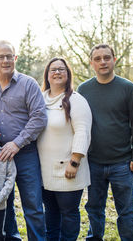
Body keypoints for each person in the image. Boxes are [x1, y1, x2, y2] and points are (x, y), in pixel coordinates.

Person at [0, 40, 47, 240]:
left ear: (15, 58)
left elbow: (39, 117)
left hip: (26, 154)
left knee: (33, 205)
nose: (6, 60)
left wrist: (17, 143)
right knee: (4, 205)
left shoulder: (28, 84)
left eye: (9, 56)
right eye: (1, 56)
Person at [77, 44, 133, 241]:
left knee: (126, 211)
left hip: (122, 163)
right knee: (94, 209)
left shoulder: (128, 88)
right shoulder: (84, 89)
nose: (103, 62)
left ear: (114, 60)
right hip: (94, 162)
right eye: (97, 59)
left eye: (107, 57)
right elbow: (80, 123)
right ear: (92, 63)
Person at [37, 58, 92, 241]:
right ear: (47, 74)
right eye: (53, 69)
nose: (57, 72)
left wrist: (75, 161)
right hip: (45, 170)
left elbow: (83, 132)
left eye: (62, 69)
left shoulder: (76, 100)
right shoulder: (39, 99)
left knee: (68, 213)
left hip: (68, 169)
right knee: (51, 213)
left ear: (68, 74)